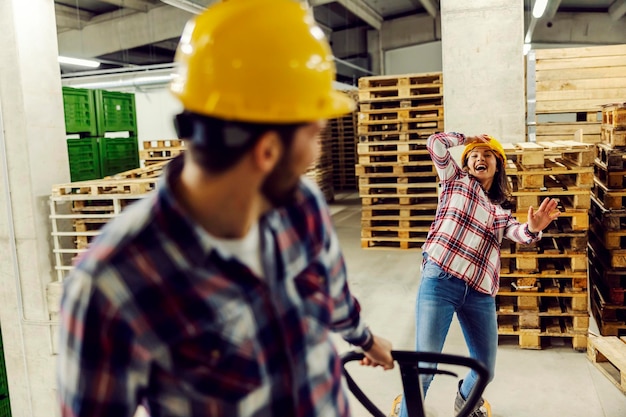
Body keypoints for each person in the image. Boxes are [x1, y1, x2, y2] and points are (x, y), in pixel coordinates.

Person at [56, 1, 394, 416]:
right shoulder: (111, 285)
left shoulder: (301, 209)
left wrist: (365, 339)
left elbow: (332, 293)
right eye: (315, 134)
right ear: (268, 150)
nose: (316, 152)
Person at [392, 132, 560, 417]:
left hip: (480, 293)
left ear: (498, 165)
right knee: (426, 367)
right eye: (473, 155)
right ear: (466, 164)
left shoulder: (501, 210)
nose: (480, 158)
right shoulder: (455, 181)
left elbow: (517, 232)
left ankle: (465, 403)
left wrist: (533, 228)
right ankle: (407, 411)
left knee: (485, 369)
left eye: (487, 155)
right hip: (440, 280)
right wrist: (466, 137)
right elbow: (434, 143)